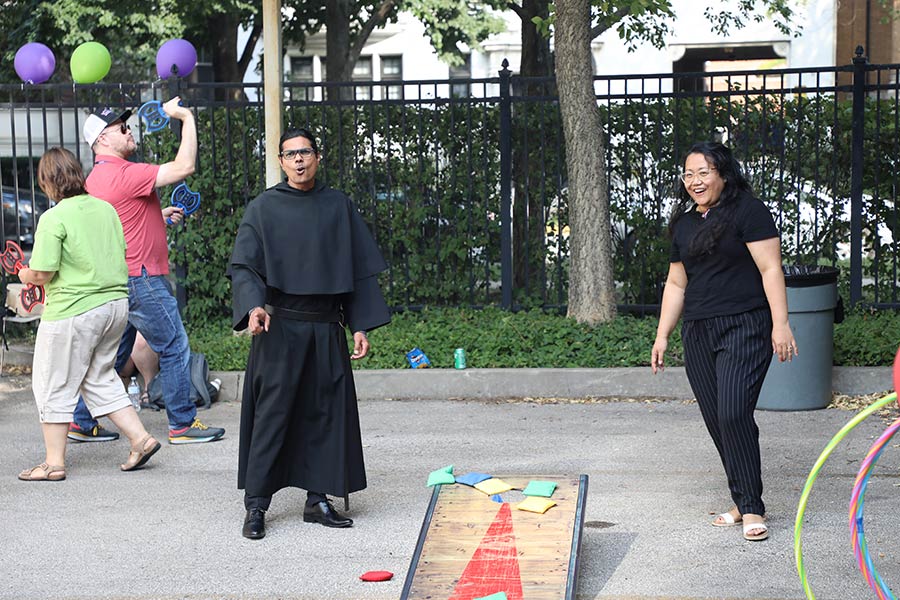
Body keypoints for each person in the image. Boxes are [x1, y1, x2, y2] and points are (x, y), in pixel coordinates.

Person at [229, 128, 391, 540]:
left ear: (318, 158)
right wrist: (253, 309)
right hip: (279, 325)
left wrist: (360, 325)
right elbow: (246, 266)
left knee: (324, 414)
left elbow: (358, 269)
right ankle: (257, 505)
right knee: (273, 414)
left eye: (305, 152)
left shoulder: (338, 206)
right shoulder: (263, 209)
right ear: (281, 162)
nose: (299, 160)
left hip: (325, 327)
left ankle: (317, 499)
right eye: (290, 154)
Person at [651, 141, 797, 542]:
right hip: (698, 330)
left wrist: (781, 324)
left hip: (745, 325)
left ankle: (751, 507)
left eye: (703, 172)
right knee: (718, 419)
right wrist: (662, 334)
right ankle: (741, 497)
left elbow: (770, 269)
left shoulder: (748, 211)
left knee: (734, 413)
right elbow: (677, 282)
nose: (695, 181)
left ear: (723, 174)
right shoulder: (683, 224)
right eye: (688, 174)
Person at [69, 100, 225, 445]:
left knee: (114, 356)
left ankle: (80, 421)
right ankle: (182, 424)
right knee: (173, 345)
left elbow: (118, 223)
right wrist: (185, 116)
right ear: (102, 140)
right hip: (142, 279)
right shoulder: (125, 173)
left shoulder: (96, 179)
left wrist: (156, 215)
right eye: (122, 128)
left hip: (120, 279)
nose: (129, 130)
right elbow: (184, 166)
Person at [17, 147, 161, 480]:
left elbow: (43, 273)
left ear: (48, 182)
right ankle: (140, 439)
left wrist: (25, 274)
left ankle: (53, 463)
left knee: (51, 381)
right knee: (98, 377)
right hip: (114, 306)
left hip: (74, 310)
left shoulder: (54, 218)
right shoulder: (105, 209)